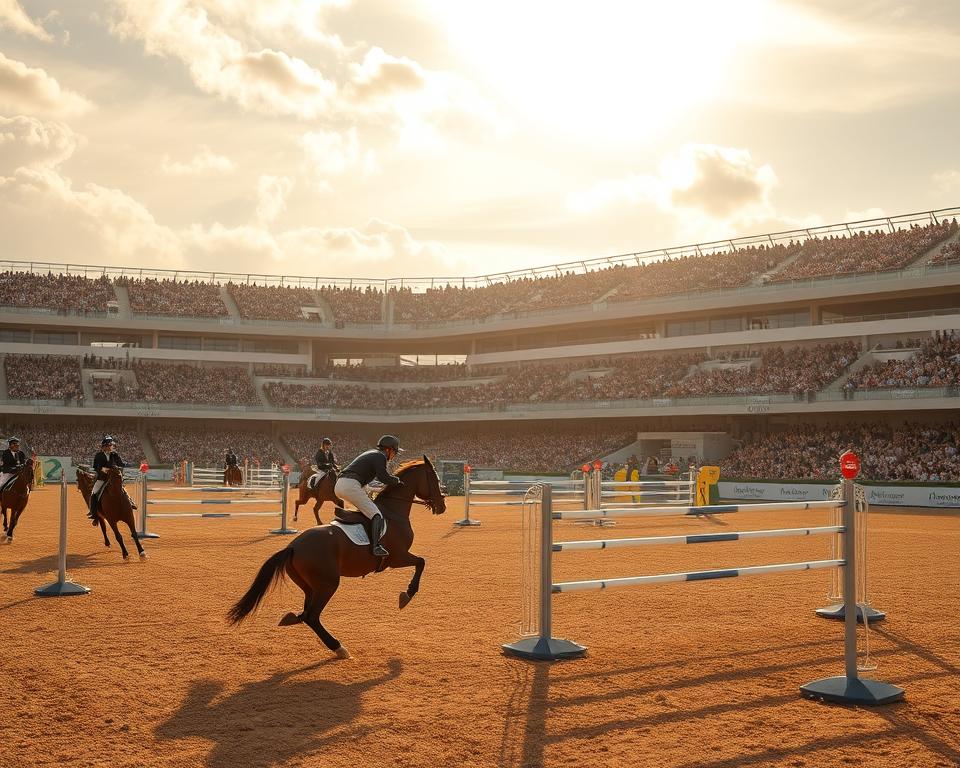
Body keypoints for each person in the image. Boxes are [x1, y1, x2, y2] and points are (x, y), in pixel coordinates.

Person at [334, 435, 403, 557]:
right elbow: (383, 477)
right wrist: (397, 480)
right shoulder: (380, 456)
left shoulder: (372, 453)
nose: (395, 455)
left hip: (342, 484)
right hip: (351, 485)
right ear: (388, 450)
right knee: (376, 514)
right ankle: (376, 547)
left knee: (367, 509)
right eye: (395, 452)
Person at [88, 436, 134, 522]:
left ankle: (130, 503)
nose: (111, 447)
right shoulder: (98, 455)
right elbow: (95, 467)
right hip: (102, 478)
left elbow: (120, 463)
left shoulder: (114, 454)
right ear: (104, 446)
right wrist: (103, 469)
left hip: (113, 478)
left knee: (122, 489)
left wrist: (128, 464)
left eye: (111, 445)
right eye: (109, 445)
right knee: (94, 493)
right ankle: (93, 513)